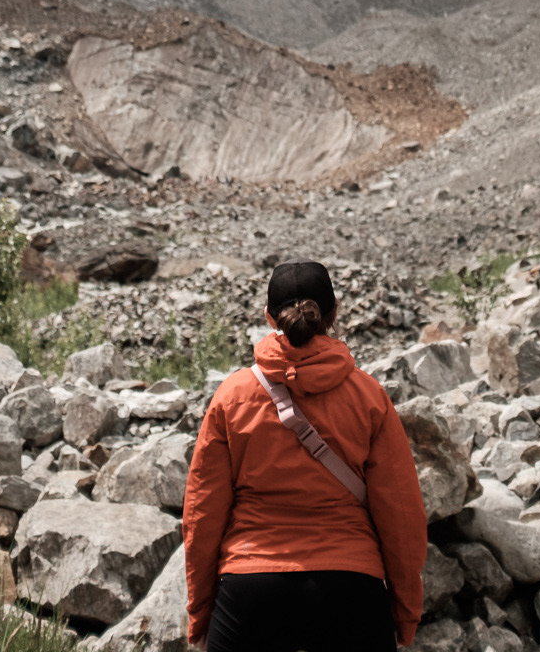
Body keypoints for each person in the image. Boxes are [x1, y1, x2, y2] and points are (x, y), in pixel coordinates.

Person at [183, 257, 427, 651]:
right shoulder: (369, 396)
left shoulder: (233, 395)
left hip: (250, 587)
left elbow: (202, 513)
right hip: (351, 587)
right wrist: (404, 612)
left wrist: (201, 609)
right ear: (334, 313)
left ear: (268, 316)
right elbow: (401, 514)